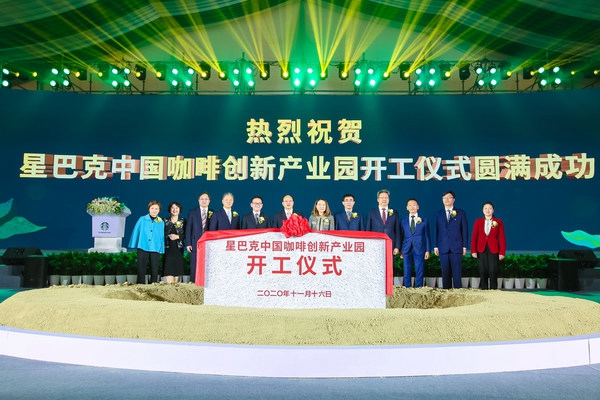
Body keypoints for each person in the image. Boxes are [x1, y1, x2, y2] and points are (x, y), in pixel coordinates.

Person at [434, 190, 469, 289]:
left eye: (449, 197)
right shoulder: (438, 214)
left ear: (453, 199)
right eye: (444, 198)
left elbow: (464, 230)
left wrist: (464, 246)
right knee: (445, 272)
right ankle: (446, 293)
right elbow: (436, 230)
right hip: (443, 247)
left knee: (457, 273)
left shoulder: (460, 213)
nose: (447, 200)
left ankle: (458, 293)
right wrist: (435, 246)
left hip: (457, 247)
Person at [471, 201, 506, 290]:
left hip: (494, 248)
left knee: (493, 270)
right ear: (482, 210)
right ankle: (484, 290)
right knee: (483, 270)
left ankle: (493, 291)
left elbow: (502, 237)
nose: (487, 210)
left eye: (490, 208)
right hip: (481, 248)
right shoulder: (478, 221)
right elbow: (474, 237)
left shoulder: (498, 221)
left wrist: (502, 252)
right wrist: (473, 250)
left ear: (493, 210)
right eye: (485, 208)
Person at [128, 200, 164, 284]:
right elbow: (136, 231)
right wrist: (133, 244)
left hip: (155, 248)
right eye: (152, 208)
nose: (154, 210)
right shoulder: (142, 219)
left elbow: (162, 236)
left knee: (154, 270)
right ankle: (141, 286)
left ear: (159, 210)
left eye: (156, 209)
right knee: (141, 269)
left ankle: (153, 286)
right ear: (149, 209)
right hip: (143, 246)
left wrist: (162, 249)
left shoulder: (161, 222)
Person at [399, 198, 431, 288]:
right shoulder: (403, 221)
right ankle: (407, 288)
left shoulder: (424, 220)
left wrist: (428, 250)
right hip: (406, 248)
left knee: (419, 269)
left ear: (418, 207)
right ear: (407, 207)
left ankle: (419, 288)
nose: (412, 207)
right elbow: (401, 236)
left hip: (419, 248)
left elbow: (427, 236)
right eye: (410, 205)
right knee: (406, 269)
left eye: (414, 205)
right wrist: (401, 250)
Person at [185, 192, 212, 284]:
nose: (204, 201)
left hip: (208, 243)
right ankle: (193, 283)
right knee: (194, 263)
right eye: (202, 199)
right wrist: (188, 243)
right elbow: (188, 228)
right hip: (195, 242)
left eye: (206, 199)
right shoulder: (193, 212)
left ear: (209, 201)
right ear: (198, 200)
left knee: (207, 264)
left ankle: (206, 283)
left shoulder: (213, 212)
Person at [365, 189, 400, 255]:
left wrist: (397, 247)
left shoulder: (394, 213)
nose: (384, 199)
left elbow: (397, 231)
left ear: (389, 199)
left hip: (390, 245)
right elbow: (368, 230)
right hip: (375, 244)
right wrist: (368, 245)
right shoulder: (372, 212)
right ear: (378, 199)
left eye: (386, 197)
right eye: (382, 197)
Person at [163, 201, 185, 284]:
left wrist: (178, 236)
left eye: (177, 208)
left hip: (178, 248)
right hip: (168, 248)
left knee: (177, 269)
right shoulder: (164, 221)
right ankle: (170, 287)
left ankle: (175, 288)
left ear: (179, 210)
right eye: (172, 208)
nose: (175, 210)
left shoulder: (183, 221)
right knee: (168, 268)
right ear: (169, 210)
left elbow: (187, 234)